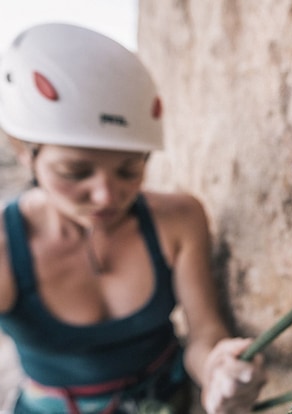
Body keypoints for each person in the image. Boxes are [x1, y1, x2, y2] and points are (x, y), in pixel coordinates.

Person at [0, 23, 266, 413]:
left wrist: (217, 371)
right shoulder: (7, 250)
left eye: (130, 170)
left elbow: (204, 332)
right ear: (22, 149)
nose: (107, 196)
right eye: (75, 172)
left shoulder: (177, 219)